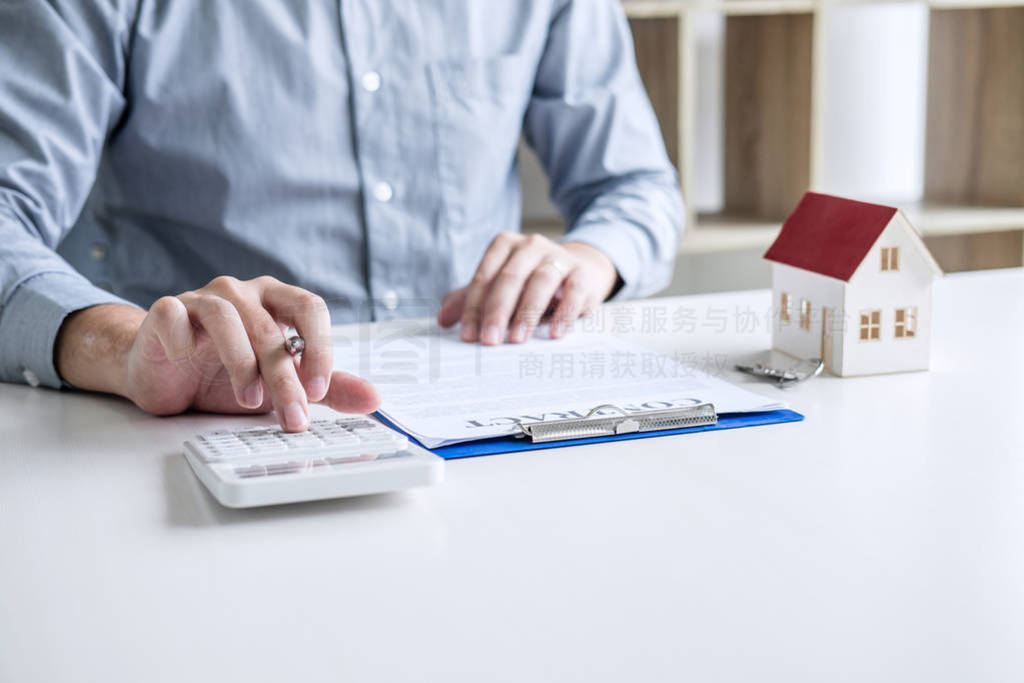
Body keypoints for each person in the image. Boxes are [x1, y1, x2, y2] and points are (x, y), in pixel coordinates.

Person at [0, 0, 682, 432]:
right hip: (199, 434)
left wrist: (591, 258)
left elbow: (636, 186)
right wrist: (125, 348)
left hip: (489, 428)